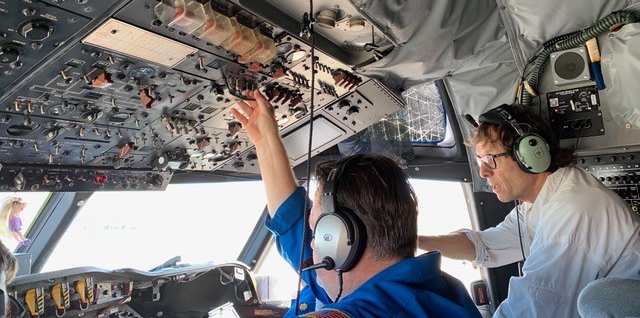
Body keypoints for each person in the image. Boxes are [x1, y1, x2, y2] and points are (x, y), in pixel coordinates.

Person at [231, 89, 481, 318]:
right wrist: (265, 140)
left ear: (338, 243)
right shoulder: (435, 288)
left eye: (318, 234)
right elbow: (295, 229)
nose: (311, 243)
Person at [418, 103, 640, 318]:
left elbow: (537, 305)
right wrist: (417, 241)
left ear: (531, 154)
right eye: (479, 161)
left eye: (490, 159)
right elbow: (485, 245)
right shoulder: (540, 203)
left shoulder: (572, 209)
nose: (483, 172)